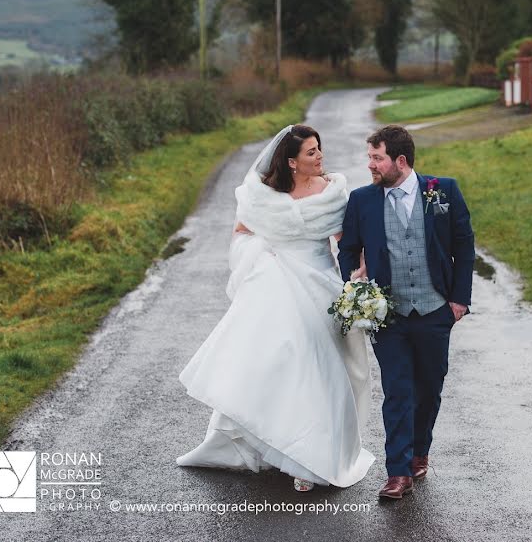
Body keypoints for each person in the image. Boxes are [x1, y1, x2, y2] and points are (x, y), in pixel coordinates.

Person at [177, 125, 374, 492]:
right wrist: (261, 254)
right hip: (275, 284)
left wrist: (359, 280)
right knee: (275, 366)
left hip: (319, 285)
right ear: (291, 162)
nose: (320, 157)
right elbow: (241, 232)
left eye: (319, 149)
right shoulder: (263, 194)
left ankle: (311, 458)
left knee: (321, 371)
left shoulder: (333, 191)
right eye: (311, 152)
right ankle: (269, 444)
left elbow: (344, 243)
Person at [338, 124, 474, 500]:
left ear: (400, 160)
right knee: (397, 390)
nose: (370, 165)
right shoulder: (363, 200)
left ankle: (419, 451)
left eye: (376, 158)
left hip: (434, 309)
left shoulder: (442, 190)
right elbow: (348, 249)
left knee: (429, 388)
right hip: (389, 315)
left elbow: (464, 245)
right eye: (369, 158)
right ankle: (397, 471)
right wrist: (356, 280)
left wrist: (458, 300)